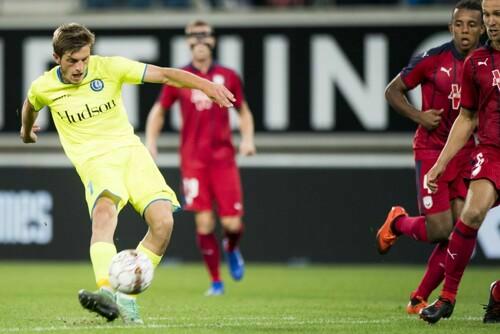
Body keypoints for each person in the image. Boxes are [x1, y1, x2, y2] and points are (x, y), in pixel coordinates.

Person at [20, 23, 235, 324]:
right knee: (105, 214)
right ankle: (107, 293)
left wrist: (206, 85)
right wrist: (26, 131)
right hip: (96, 161)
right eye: (72, 60)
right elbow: (31, 105)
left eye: (85, 58)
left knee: (163, 222)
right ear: (57, 57)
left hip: (133, 155)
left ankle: (126, 296)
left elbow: (165, 74)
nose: (81, 67)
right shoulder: (44, 86)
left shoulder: (110, 68)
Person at [376, 0, 484, 315]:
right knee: (439, 230)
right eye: (459, 24)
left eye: (472, 25)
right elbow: (392, 91)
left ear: (482, 29)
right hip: (431, 150)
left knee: (460, 229)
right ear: (451, 27)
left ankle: (419, 298)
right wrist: (419, 116)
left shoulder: (486, 63)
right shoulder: (432, 59)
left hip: (466, 154)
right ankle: (398, 222)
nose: (465, 31)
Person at [146, 20, 256, 296]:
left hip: (223, 158)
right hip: (193, 161)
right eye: (193, 36)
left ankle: (230, 247)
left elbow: (243, 111)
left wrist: (248, 140)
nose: (199, 40)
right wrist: (150, 142)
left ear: (213, 40)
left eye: (204, 35)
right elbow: (158, 111)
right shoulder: (180, 77)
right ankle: (216, 282)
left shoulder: (228, 75)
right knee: (205, 222)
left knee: (232, 224)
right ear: (187, 42)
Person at [420, 0, 500, 323]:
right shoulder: (476, 63)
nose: (492, 22)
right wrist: (439, 164)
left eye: (498, 15)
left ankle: (498, 293)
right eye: (489, 15)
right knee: (473, 211)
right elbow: (466, 118)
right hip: (493, 151)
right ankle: (447, 297)